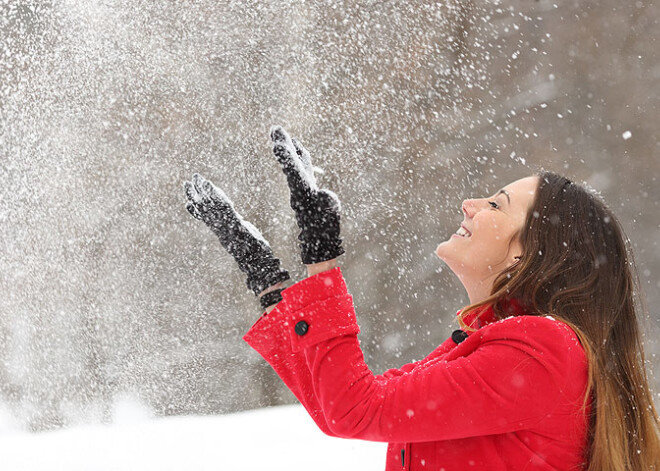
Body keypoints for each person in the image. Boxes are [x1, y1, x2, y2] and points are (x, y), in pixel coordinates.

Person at [184, 126, 660, 470]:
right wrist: (270, 285)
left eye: (496, 204)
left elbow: (356, 409)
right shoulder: (497, 350)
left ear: (529, 255)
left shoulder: (540, 355)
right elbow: (342, 407)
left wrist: (323, 262)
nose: (470, 204)